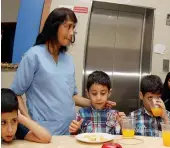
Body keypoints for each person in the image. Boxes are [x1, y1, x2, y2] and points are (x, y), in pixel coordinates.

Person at [10, 8, 115, 136]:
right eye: (68, 27)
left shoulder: (68, 59)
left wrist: (97, 102)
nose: (72, 33)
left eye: (73, 28)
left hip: (71, 131)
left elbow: (71, 96)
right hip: (44, 132)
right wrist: (29, 123)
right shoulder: (33, 56)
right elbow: (16, 94)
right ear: (54, 27)